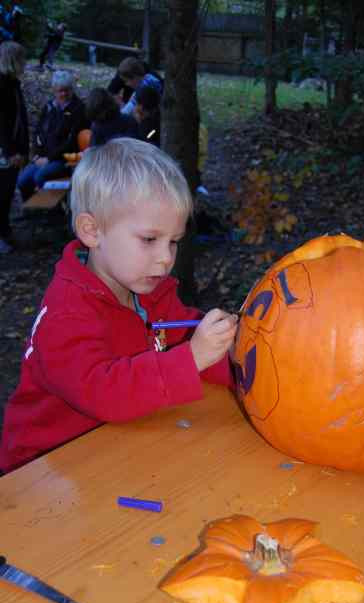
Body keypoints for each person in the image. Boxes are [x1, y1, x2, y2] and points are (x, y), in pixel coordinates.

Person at [0, 138, 238, 473]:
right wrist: (193, 358)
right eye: (149, 239)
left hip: (117, 446)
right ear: (92, 231)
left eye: (173, 242)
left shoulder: (151, 291)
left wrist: (240, 360)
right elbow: (104, 393)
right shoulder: (66, 314)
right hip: (45, 470)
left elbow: (186, 337)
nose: (166, 258)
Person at [17, 69, 88, 200]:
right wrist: (37, 154)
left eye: (67, 90)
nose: (64, 94)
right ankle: (31, 207)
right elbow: (38, 132)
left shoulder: (79, 109)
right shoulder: (49, 107)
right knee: (22, 181)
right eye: (60, 90)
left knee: (40, 176)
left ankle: (51, 208)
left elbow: (71, 142)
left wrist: (49, 159)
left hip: (64, 159)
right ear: (54, 90)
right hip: (43, 157)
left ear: (72, 89)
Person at [0, 41, 28, 253]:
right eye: (21, 58)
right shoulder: (2, 85)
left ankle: (5, 230)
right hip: (4, 151)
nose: (24, 62)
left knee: (8, 191)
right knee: (2, 192)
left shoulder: (13, 83)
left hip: (13, 149)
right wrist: (11, 151)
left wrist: (24, 149)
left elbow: (20, 119)